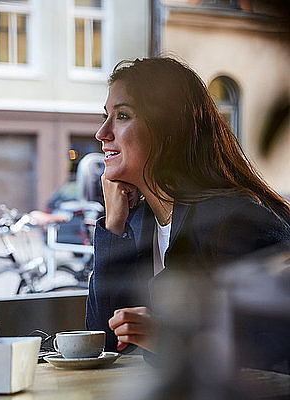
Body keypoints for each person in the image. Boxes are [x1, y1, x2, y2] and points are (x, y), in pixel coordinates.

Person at [86, 57, 290, 357]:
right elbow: (104, 342)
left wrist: (171, 340)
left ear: (168, 128)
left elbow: (275, 350)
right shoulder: (138, 222)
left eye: (123, 116)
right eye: (106, 116)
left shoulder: (236, 219)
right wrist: (113, 225)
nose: (102, 133)